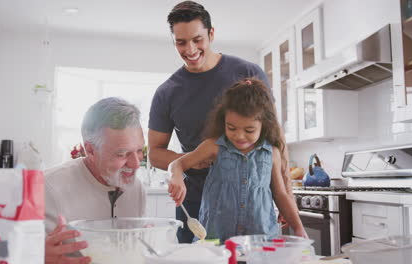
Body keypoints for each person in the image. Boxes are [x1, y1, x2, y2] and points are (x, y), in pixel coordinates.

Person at [148, 0, 294, 243]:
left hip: (253, 204)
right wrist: (192, 161)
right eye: (181, 42)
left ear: (211, 34)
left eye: (197, 39)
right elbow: (154, 153)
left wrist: (287, 193)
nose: (190, 49)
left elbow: (275, 137)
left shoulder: (249, 73)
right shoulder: (167, 92)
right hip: (196, 203)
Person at [168, 78, 307, 241]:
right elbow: (177, 164)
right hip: (217, 239)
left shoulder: (272, 153)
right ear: (223, 121)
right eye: (231, 128)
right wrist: (176, 176)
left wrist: (298, 227)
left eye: (249, 130)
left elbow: (280, 194)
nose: (239, 136)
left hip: (260, 240)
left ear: (264, 124)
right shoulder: (214, 146)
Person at [44, 97, 146, 264]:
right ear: (90, 150)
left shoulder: (136, 188)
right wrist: (36, 256)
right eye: (121, 154)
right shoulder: (48, 187)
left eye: (140, 151)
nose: (135, 164)